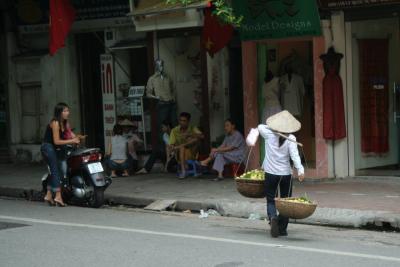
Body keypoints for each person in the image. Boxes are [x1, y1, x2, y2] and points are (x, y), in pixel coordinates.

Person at [254, 110, 305, 238]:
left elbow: (260, 126)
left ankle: (273, 218)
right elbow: (295, 156)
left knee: (271, 200)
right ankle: (282, 229)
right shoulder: (291, 138)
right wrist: (300, 171)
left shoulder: (268, 134)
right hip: (285, 175)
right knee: (285, 201)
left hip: (271, 173)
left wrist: (273, 130)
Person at [41, 102, 80, 207]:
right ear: (59, 112)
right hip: (48, 147)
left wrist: (78, 138)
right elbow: (57, 141)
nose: (68, 113)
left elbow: (71, 135)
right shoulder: (55, 123)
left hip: (56, 149)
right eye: (65, 111)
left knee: (55, 171)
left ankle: (49, 195)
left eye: (68, 110)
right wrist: (72, 141)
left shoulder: (65, 123)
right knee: (55, 170)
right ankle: (58, 196)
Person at [146, 59, 178, 143]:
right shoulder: (152, 79)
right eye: (160, 65)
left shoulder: (168, 77)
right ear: (155, 66)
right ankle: (164, 150)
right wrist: (156, 97)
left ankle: (175, 146)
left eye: (162, 65)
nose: (162, 67)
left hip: (171, 103)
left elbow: (173, 89)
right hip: (162, 104)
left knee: (175, 125)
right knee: (162, 128)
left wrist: (173, 98)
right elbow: (148, 93)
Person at [169, 112, 204, 179]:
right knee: (182, 147)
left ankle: (184, 171)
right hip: (179, 154)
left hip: (191, 153)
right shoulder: (174, 130)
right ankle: (183, 171)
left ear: (188, 121)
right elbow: (171, 145)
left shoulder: (192, 128)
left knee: (195, 139)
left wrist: (189, 134)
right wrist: (173, 147)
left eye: (184, 121)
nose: (182, 122)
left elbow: (202, 136)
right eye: (180, 120)